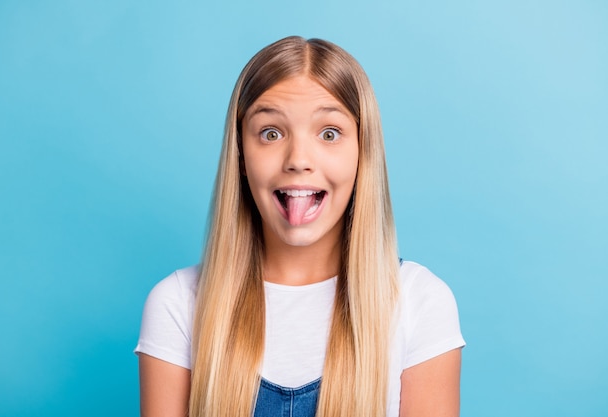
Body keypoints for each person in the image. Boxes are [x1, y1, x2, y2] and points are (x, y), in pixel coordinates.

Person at [135, 36, 465, 417]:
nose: (298, 160)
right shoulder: (178, 304)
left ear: (363, 153)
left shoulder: (419, 303)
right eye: (271, 133)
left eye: (329, 133)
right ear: (241, 155)